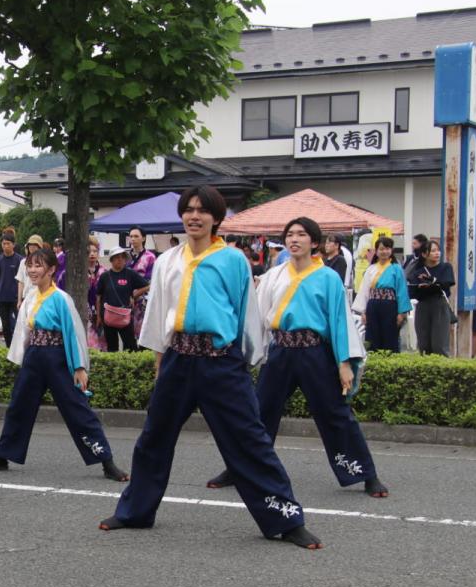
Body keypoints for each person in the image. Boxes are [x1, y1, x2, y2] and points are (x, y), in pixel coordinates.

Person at [98, 186, 321, 549]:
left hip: (221, 363)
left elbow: (247, 312)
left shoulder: (233, 260)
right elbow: (157, 314)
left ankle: (285, 520)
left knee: (250, 441)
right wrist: (159, 362)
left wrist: (246, 362)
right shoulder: (168, 260)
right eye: (189, 209)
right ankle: (134, 512)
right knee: (154, 437)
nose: (195, 216)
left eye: (203, 210)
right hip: (178, 359)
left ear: (217, 218)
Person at [210, 215, 389, 499]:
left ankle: (366, 473)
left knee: (335, 414)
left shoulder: (329, 277)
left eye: (302, 234)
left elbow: (339, 321)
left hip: (314, 353)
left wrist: (344, 363)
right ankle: (240, 468)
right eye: (290, 234)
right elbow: (256, 316)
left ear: (314, 242)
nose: (294, 239)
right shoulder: (274, 274)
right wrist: (246, 353)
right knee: (258, 412)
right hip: (280, 351)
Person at [0, 248, 129, 481]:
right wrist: (21, 358)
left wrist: (78, 367)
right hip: (34, 357)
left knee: (77, 408)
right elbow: (25, 332)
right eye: (30, 265)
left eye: (38, 265)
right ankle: (3, 455)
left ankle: (106, 460)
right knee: (18, 406)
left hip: (57, 357)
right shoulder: (30, 297)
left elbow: (73, 333)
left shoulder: (61, 299)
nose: (32, 270)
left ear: (51, 269)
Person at [352, 236, 412, 353]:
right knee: (372, 336)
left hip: (390, 306)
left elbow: (401, 290)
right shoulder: (371, 269)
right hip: (373, 306)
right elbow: (364, 290)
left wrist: (402, 312)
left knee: (390, 336)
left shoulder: (396, 268)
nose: (384, 252)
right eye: (381, 249)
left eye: (387, 248)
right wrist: (363, 311)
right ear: (376, 251)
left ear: (391, 250)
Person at [95, 247, 149, 352]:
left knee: (131, 347)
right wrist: (98, 317)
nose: (120, 260)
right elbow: (98, 297)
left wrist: (134, 295)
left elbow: (147, 286)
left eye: (122, 257)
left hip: (125, 316)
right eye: (117, 257)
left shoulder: (130, 273)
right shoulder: (104, 276)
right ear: (111, 260)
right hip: (108, 317)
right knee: (112, 347)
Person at [408, 240, 455, 356]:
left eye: (438, 250)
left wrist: (431, 282)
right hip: (423, 305)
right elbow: (413, 291)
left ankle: (442, 370)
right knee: (423, 343)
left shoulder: (445, 267)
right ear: (424, 254)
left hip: (439, 304)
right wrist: (430, 285)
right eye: (433, 251)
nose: (437, 253)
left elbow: (445, 284)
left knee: (439, 343)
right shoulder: (417, 271)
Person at [0, 230, 23, 346]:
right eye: (4, 243)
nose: (5, 246)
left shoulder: (20, 260)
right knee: (5, 324)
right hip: (2, 296)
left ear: (13, 245)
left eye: (8, 243)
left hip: (16, 297)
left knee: (20, 322)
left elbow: (22, 279)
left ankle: (20, 347)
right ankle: (8, 347)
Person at [126, 226, 157, 336]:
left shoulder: (150, 257)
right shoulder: (125, 256)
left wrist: (135, 294)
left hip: (143, 299)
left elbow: (152, 281)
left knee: (143, 334)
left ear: (143, 238)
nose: (133, 239)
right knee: (127, 335)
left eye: (136, 236)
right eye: (131, 236)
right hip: (126, 299)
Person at [16, 234, 45, 303]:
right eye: (30, 245)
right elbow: (21, 281)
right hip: (26, 297)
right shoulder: (23, 262)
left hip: (40, 296)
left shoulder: (44, 262)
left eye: (35, 245)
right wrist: (19, 300)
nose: (32, 247)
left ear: (39, 247)